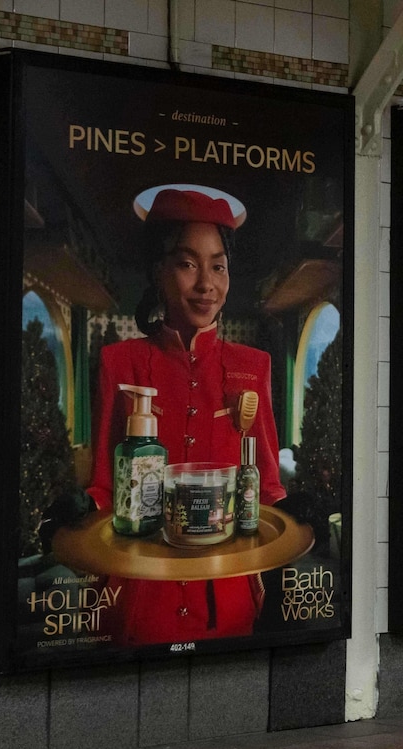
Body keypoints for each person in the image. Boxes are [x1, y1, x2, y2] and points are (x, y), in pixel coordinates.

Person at [86, 186, 287, 645]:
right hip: (138, 597)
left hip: (228, 595)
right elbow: (103, 485)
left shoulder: (254, 366)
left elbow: (268, 485)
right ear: (159, 270)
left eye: (218, 266)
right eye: (187, 264)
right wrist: (82, 510)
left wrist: (293, 509)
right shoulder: (119, 363)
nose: (206, 285)